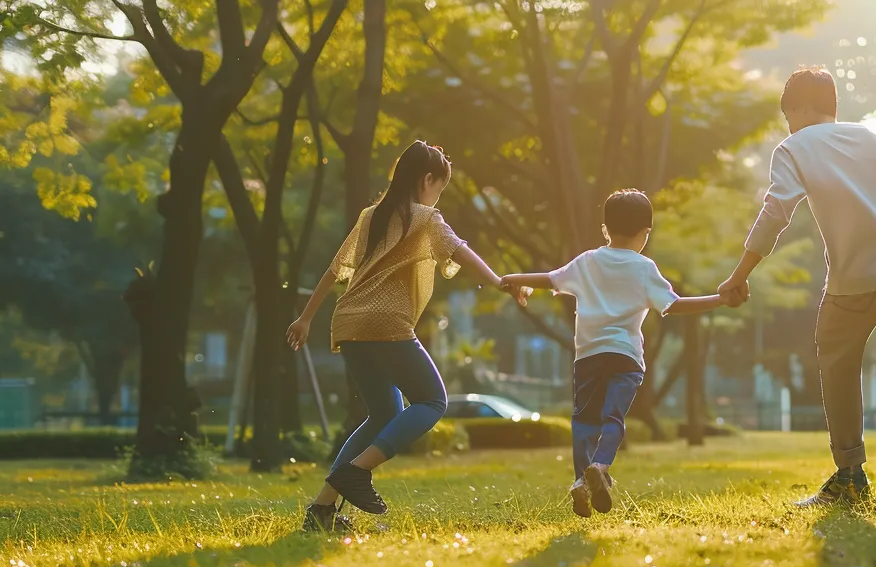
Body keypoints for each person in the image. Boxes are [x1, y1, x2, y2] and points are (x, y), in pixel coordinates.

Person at [717, 67, 876, 505]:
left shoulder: (794, 148)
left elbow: (775, 213)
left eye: (788, 116)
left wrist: (739, 274)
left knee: (838, 369)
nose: (789, 125)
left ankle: (850, 476)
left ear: (798, 108)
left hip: (851, 285)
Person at [287, 141, 524, 533]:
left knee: (382, 414)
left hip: (347, 322)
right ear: (427, 179)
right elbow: (461, 252)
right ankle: (357, 472)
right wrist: (500, 282)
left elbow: (335, 270)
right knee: (433, 400)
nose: (437, 197)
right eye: (439, 188)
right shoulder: (426, 218)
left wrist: (305, 318)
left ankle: (321, 511)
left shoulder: (371, 215)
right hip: (385, 321)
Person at [501, 190, 733, 518]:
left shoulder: (588, 261)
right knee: (613, 417)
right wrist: (719, 299)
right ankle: (601, 464)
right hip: (625, 357)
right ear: (645, 233)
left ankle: (582, 481)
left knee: (583, 419)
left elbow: (550, 278)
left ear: (605, 229)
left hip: (589, 355)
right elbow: (674, 304)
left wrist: (513, 279)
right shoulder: (644, 267)